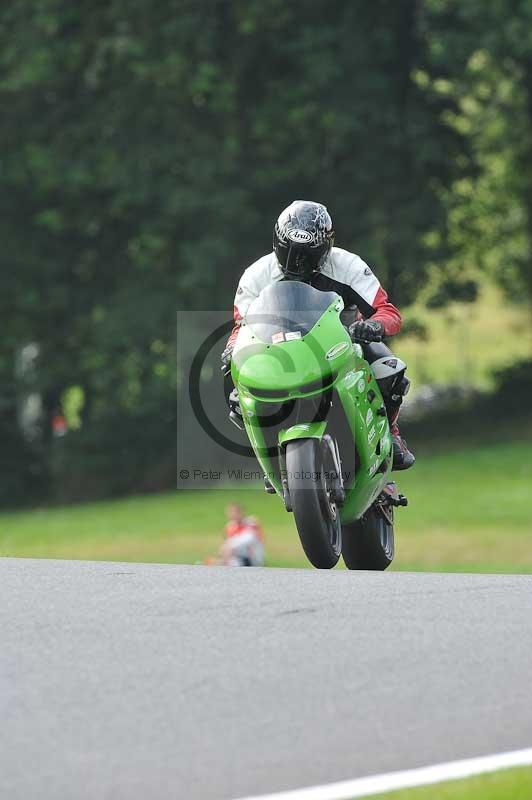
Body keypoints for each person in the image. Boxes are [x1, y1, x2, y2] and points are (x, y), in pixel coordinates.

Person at [221, 200, 414, 470]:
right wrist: (233, 347)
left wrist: (374, 326)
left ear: (326, 247)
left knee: (390, 371)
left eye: (307, 254)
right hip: (278, 350)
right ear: (277, 243)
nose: (297, 263)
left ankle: (391, 434)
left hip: (343, 341)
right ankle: (270, 451)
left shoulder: (348, 266)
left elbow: (387, 311)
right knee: (233, 373)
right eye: (289, 253)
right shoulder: (255, 276)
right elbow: (241, 326)